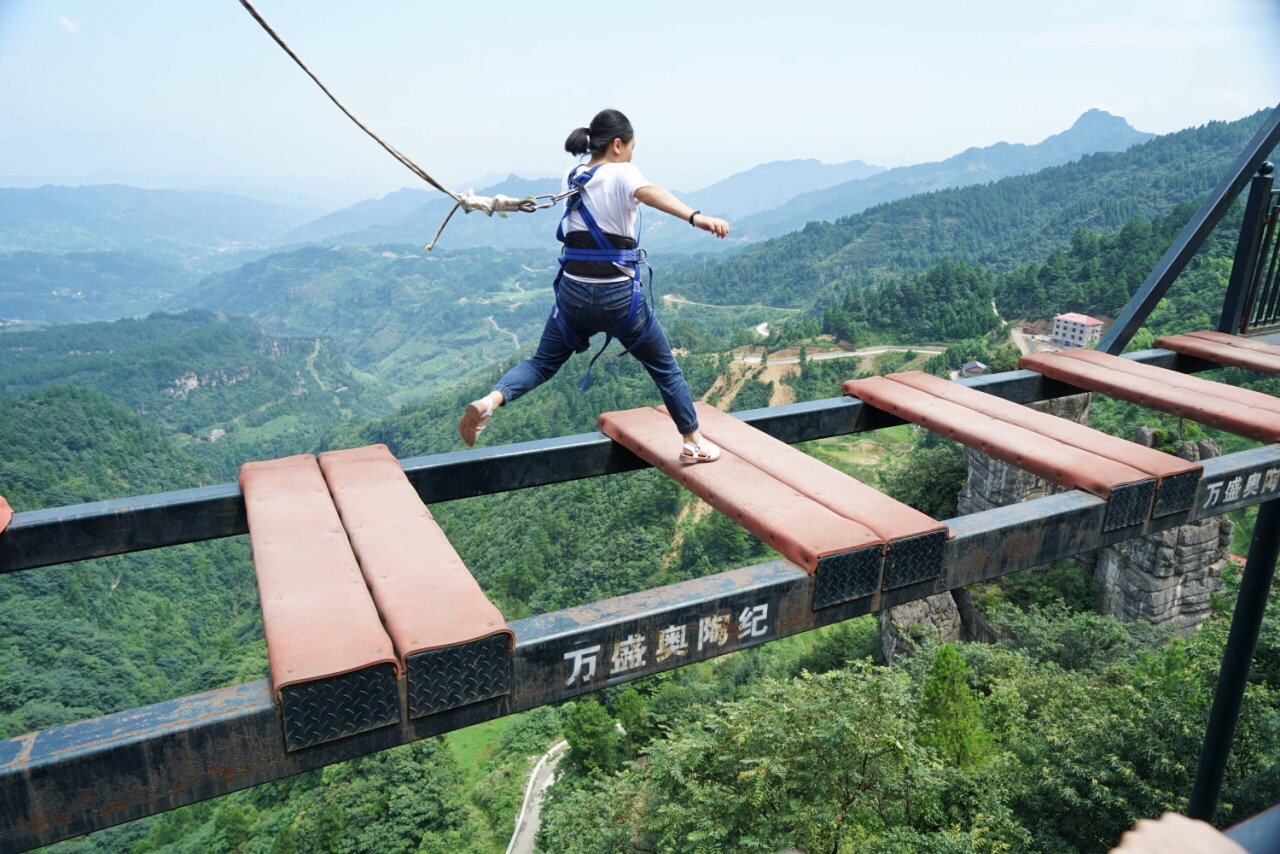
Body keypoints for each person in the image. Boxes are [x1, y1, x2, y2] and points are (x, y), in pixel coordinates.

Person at [458, 108, 731, 462]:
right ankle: (693, 441)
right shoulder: (623, 171)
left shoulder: (572, 175)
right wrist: (697, 217)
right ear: (618, 145)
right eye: (631, 147)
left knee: (542, 363)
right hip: (618, 299)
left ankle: (490, 401)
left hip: (572, 296)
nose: (632, 154)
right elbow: (649, 193)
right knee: (665, 368)